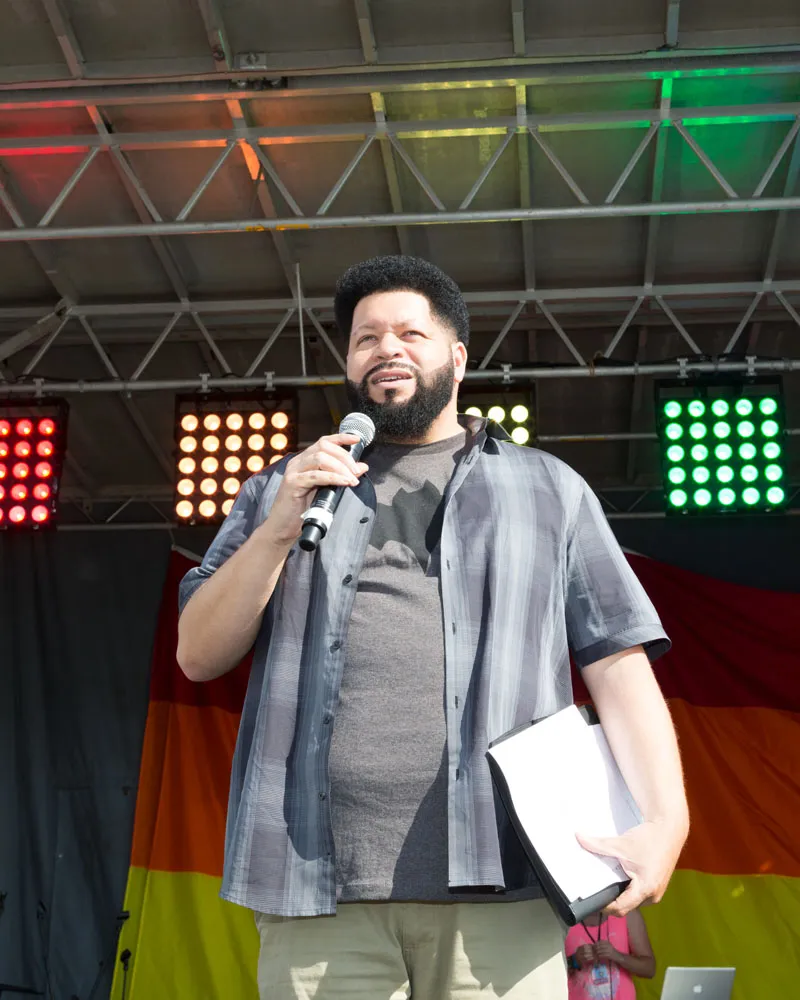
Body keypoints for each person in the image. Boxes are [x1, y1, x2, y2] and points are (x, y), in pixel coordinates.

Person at [176, 255, 689, 1000]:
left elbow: (618, 665)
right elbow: (197, 653)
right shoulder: (282, 489)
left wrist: (667, 822)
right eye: (365, 338)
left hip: (502, 882)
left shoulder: (549, 489)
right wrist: (280, 526)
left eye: (410, 334)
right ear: (348, 365)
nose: (385, 349)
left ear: (457, 357)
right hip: (317, 888)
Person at [565, 908, 656, 999]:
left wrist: (618, 956)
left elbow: (649, 969)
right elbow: (555, 975)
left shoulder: (627, 912)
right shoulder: (561, 920)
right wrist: (574, 960)